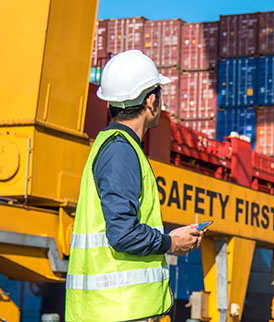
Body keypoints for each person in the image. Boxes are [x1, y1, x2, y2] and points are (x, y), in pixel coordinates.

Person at [65, 50, 204, 322]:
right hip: (118, 311)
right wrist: (170, 242)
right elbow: (122, 234)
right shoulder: (121, 151)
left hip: (112, 310)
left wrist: (171, 236)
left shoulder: (114, 146)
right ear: (151, 101)